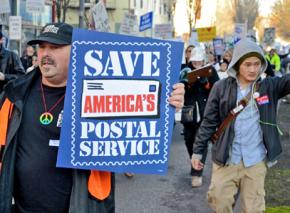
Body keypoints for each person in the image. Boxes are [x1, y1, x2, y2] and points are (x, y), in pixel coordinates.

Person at [0, 22, 185, 213]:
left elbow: (146, 132)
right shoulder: (15, 94)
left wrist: (168, 104)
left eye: (55, 47)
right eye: (42, 47)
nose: (46, 53)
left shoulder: (100, 93)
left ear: (76, 51)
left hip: (81, 206)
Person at [191, 38, 290, 212]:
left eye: (257, 64)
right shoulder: (221, 87)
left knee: (254, 209)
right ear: (237, 64)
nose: (253, 69)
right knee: (219, 203)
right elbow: (209, 122)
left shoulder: (269, 86)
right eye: (247, 64)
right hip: (226, 159)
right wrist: (198, 152)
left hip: (256, 160)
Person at [180, 47, 219, 187]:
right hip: (189, 112)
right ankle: (195, 161)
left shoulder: (211, 70)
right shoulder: (184, 70)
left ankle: (196, 173)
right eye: (194, 61)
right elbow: (178, 88)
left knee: (201, 142)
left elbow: (217, 89)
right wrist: (188, 83)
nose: (197, 63)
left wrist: (206, 83)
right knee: (189, 141)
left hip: (205, 113)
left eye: (199, 61)